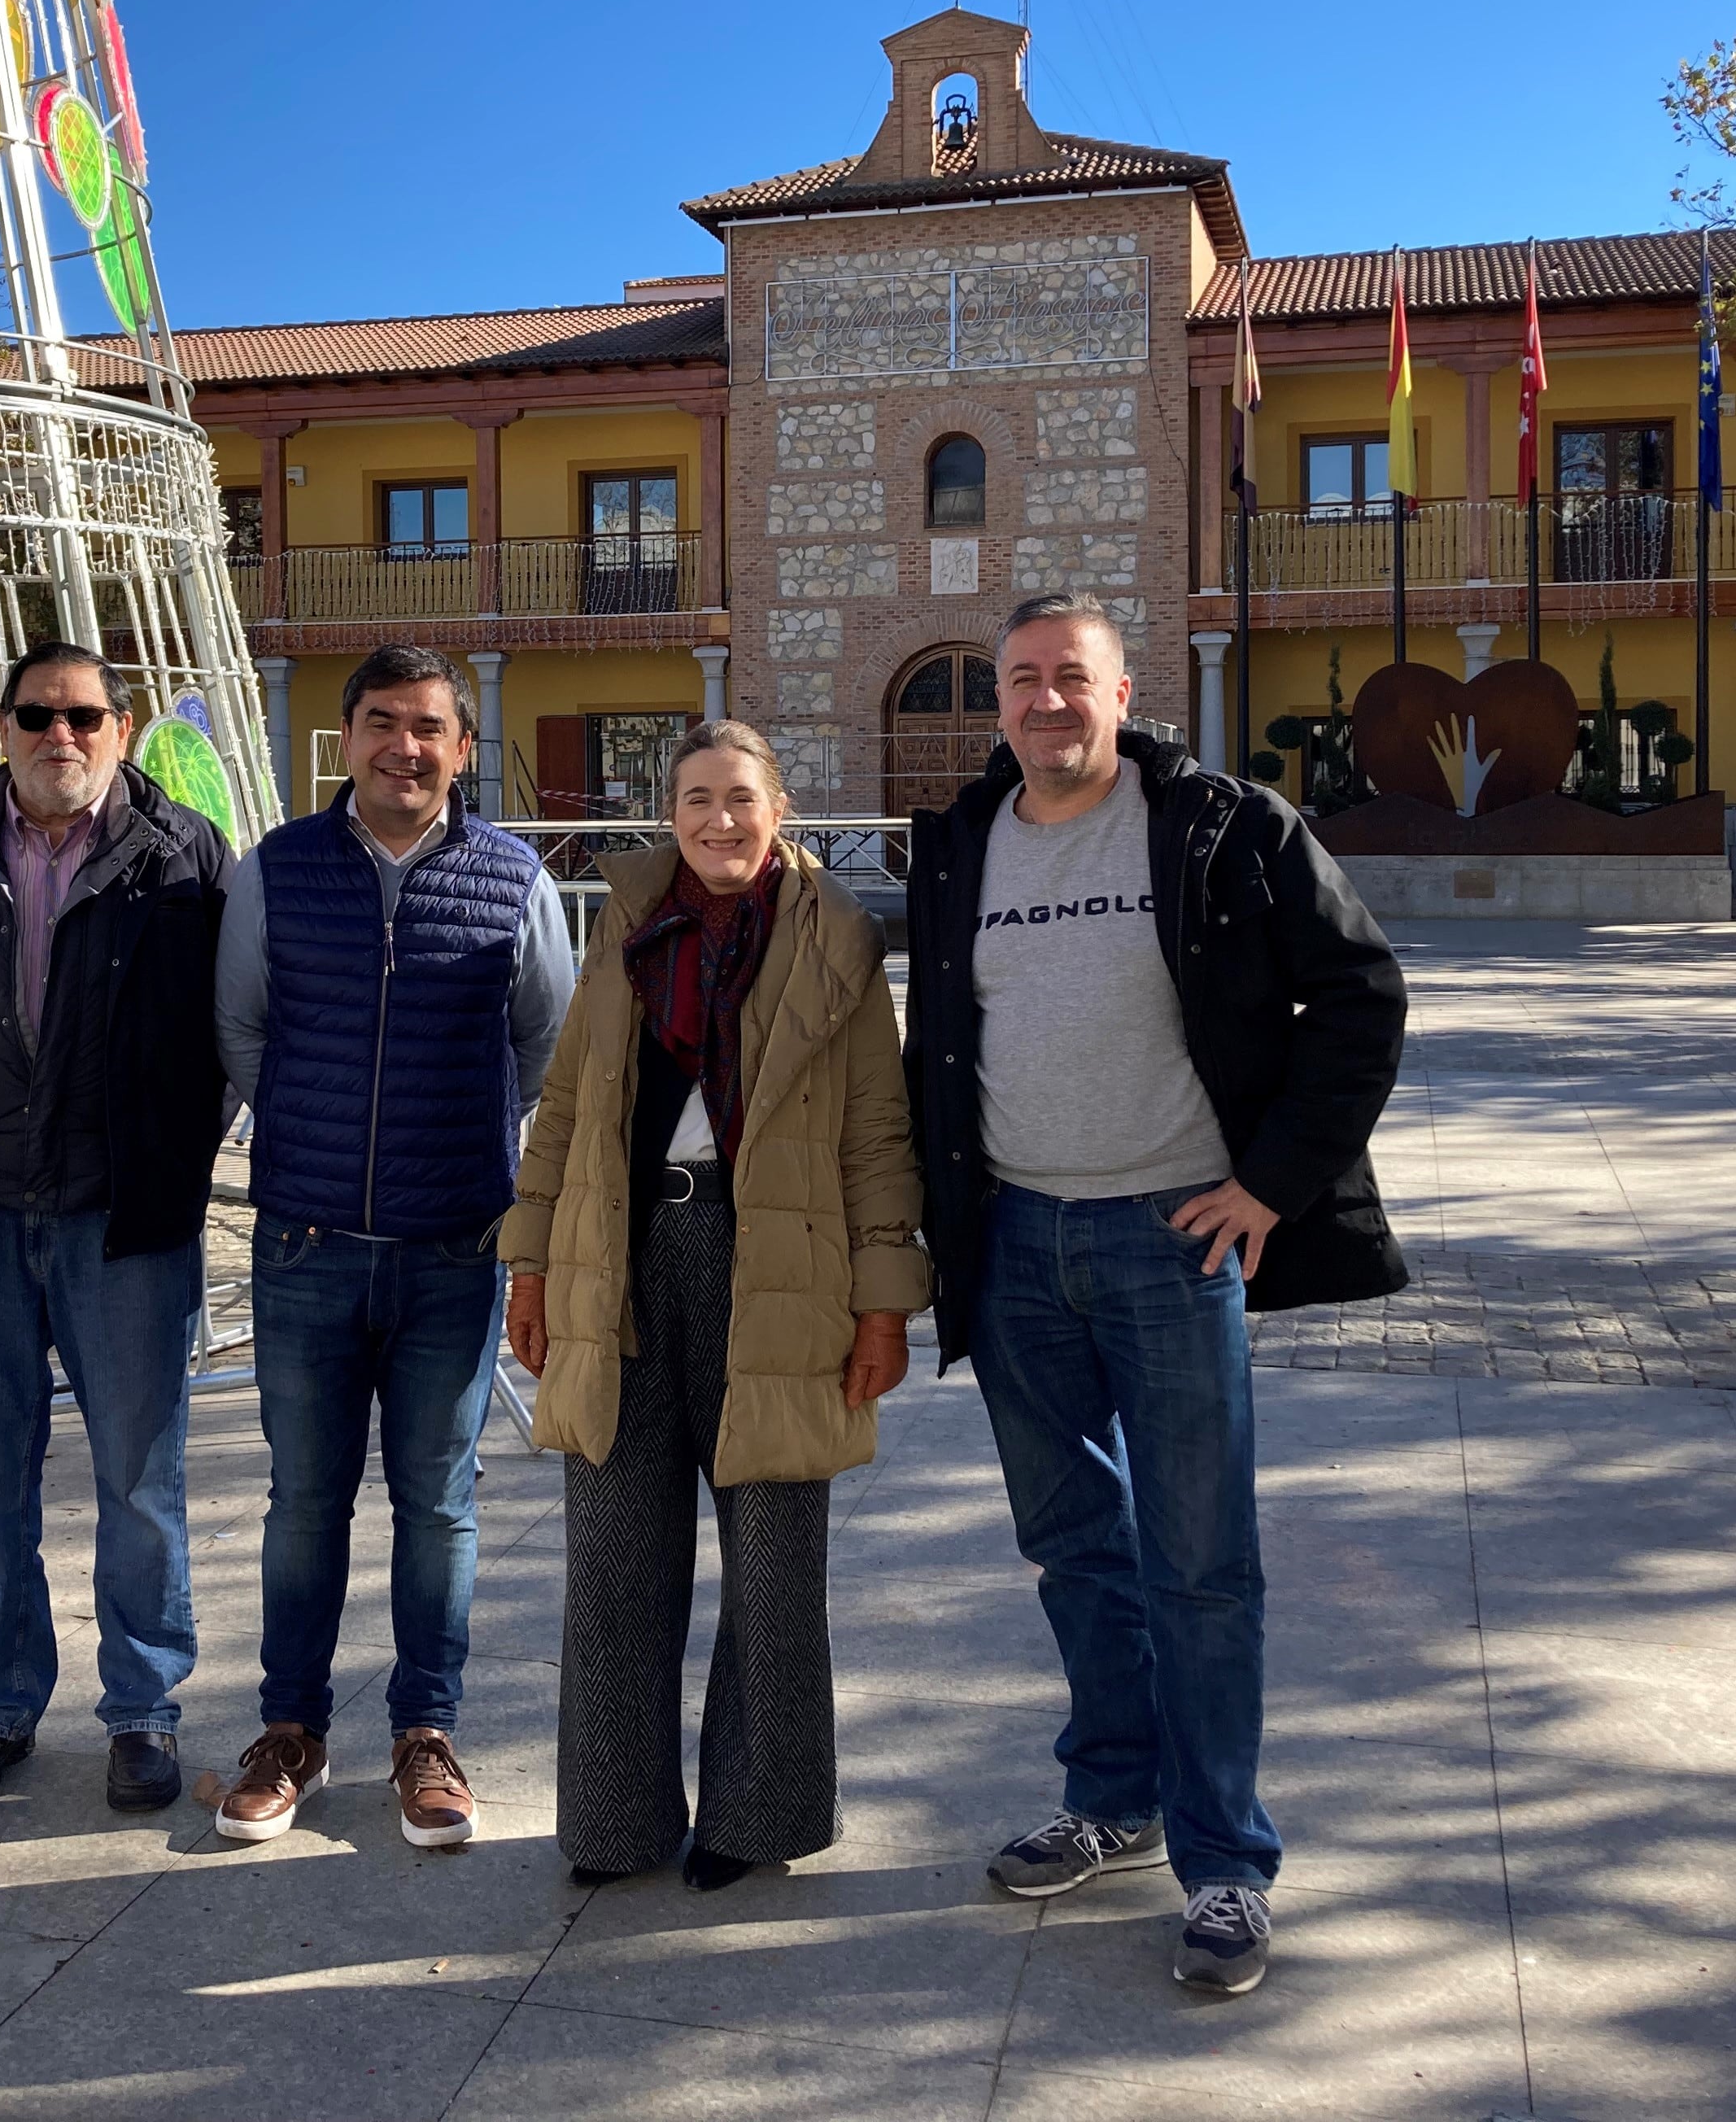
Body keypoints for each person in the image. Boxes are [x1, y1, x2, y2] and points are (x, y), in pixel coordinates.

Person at [905, 592, 1407, 1996]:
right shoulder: (960, 845)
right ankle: (1112, 1795)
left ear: (1124, 694)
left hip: (1172, 1243)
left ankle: (1229, 1863)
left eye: (1075, 677)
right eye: (1022, 680)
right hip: (1013, 1247)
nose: (1047, 701)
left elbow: (1360, 994)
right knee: (1074, 1544)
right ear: (995, 702)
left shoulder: (1222, 824)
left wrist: (1272, 1185)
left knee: (1201, 1567)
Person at [503, 719, 922, 1893]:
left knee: (776, 1570)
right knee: (614, 1560)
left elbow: (878, 1137)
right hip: (621, 1259)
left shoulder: (840, 935)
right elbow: (570, 1109)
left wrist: (884, 1304)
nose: (719, 820)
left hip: (779, 1261)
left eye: (741, 798)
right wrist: (530, 1268)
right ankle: (613, 1821)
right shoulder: (629, 924)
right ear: (668, 814)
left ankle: (757, 1817)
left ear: (778, 811)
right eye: (696, 799)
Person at [211, 644, 574, 1849]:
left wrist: (456, 1145)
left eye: (428, 728)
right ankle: (291, 1733)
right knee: (304, 1503)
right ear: (348, 737)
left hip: (450, 1251)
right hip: (308, 1248)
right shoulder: (279, 871)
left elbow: (545, 1046)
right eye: (381, 723)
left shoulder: (514, 878)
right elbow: (245, 1031)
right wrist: (321, 1131)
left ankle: (426, 1732)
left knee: (440, 1506)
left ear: (461, 749)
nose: (403, 748)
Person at [0, 640, 233, 1816]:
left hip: (121, 1224)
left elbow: (222, 1038)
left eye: (86, 716)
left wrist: (175, 1164)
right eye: (39, 715)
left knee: (140, 1480)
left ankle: (142, 1710)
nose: (62, 737)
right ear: (6, 725)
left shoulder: (182, 853)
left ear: (122, 728)